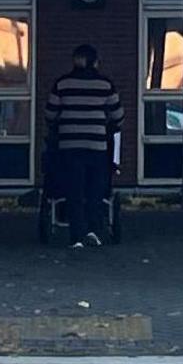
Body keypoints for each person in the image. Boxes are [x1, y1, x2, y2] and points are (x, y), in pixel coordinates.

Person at [43, 43, 122, 245]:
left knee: (74, 189)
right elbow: (118, 115)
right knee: (95, 189)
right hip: (97, 145)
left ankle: (76, 235)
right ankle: (93, 230)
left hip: (69, 144)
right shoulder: (105, 84)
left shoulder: (62, 83)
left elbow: (50, 113)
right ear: (95, 62)